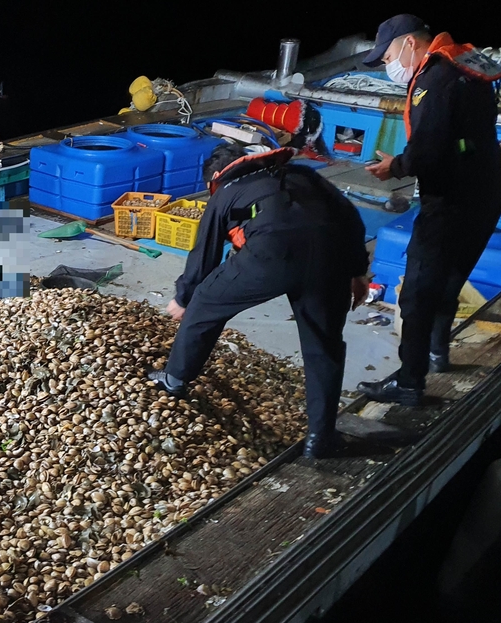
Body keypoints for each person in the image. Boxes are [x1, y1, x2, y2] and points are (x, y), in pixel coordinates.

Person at [147, 143, 370, 458]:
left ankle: (174, 379)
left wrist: (184, 298)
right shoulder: (302, 173)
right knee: (324, 343)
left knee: (206, 299)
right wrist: (358, 272)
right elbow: (349, 216)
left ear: (215, 179)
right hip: (330, 255)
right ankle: (321, 437)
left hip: (273, 253)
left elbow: (203, 258)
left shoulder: (225, 192)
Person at [358, 14, 501, 405]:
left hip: (451, 202)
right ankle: (438, 353)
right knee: (452, 277)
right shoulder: (468, 68)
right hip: (486, 194)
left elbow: (428, 150)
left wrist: (397, 166)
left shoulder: (434, 81)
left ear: (410, 43)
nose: (390, 65)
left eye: (388, 54)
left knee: (419, 294)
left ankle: (409, 384)